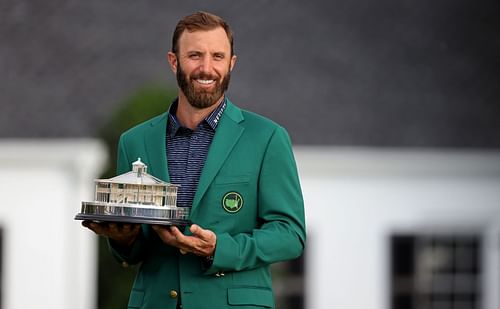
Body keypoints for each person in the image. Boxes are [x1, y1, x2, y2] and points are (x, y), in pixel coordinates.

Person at [83, 11, 306, 309]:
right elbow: (133, 251)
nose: (206, 68)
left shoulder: (266, 138)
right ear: (174, 61)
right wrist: (122, 240)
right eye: (194, 55)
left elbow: (289, 235)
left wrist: (219, 249)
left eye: (217, 56)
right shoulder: (134, 141)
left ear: (231, 63)